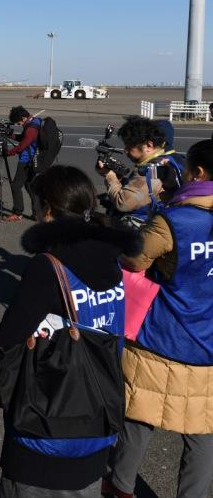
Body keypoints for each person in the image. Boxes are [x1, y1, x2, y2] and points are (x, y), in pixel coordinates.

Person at [0, 165, 141, 497]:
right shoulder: (112, 260)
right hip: (99, 409)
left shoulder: (49, 265)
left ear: (48, 209)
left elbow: (10, 337)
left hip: (45, 423)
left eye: (37, 204)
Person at [105, 139, 213, 498]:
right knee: (201, 429)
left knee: (140, 413)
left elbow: (134, 259)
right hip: (208, 340)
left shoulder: (176, 219)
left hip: (164, 332)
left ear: (197, 173)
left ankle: (120, 485)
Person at [97, 116, 180, 221]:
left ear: (149, 146)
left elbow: (123, 203)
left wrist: (109, 176)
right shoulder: (171, 159)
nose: (125, 151)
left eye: (129, 146)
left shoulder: (153, 170)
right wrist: (120, 178)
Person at [3, 106, 40, 222]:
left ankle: (17, 213)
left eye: (18, 122)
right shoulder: (35, 121)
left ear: (24, 118)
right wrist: (10, 135)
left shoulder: (30, 129)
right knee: (30, 186)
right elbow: (23, 139)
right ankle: (37, 213)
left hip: (26, 160)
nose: (18, 124)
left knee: (16, 186)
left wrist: (8, 153)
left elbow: (22, 146)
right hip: (34, 160)